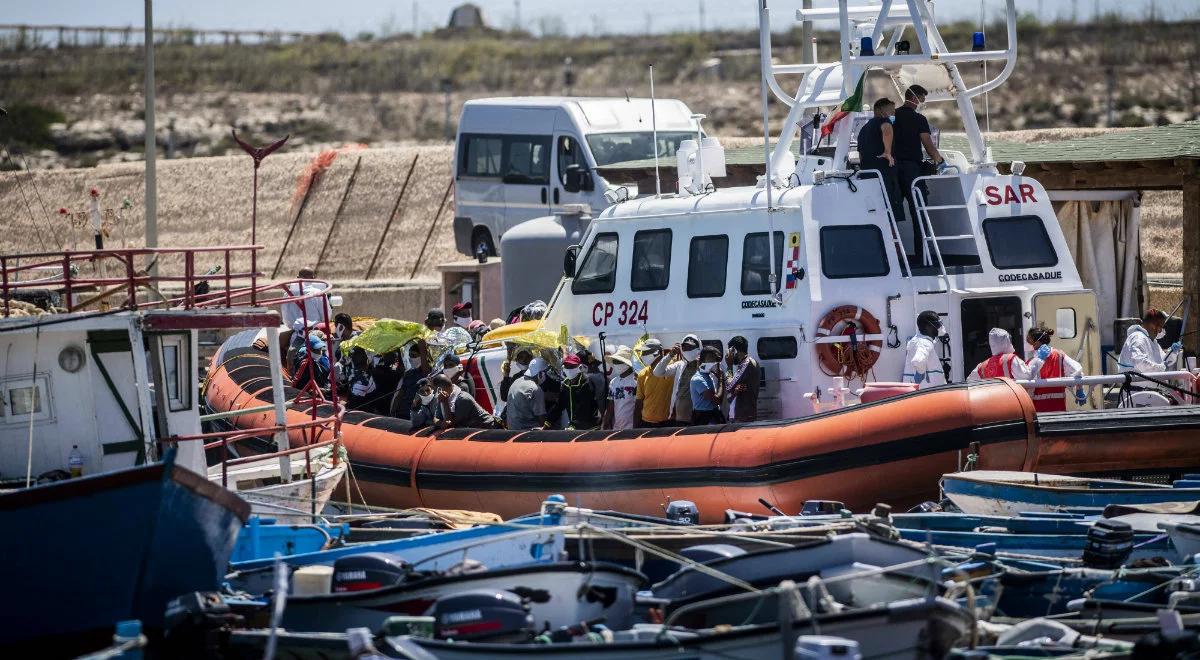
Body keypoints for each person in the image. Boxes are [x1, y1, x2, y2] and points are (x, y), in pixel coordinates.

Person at [893, 85, 946, 266]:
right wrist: (939, 160)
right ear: (915, 97)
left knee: (890, 213)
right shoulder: (918, 119)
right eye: (923, 98)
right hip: (911, 171)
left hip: (892, 170)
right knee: (919, 214)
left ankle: (892, 255)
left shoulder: (893, 116)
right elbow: (928, 144)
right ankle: (922, 258)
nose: (923, 101)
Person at [857, 98, 905, 224]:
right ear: (880, 109)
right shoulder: (885, 121)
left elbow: (861, 154)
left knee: (875, 210)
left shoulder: (864, 128)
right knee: (890, 210)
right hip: (884, 174)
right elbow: (887, 130)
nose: (893, 114)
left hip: (867, 175)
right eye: (891, 110)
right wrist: (888, 152)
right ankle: (894, 241)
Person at [1025, 326, 1086, 412]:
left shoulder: (1033, 360)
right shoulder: (1059, 355)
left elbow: (1025, 378)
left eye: (1029, 341)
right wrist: (1080, 389)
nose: (1028, 344)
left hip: (1038, 406)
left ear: (1037, 342)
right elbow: (1077, 370)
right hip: (1058, 404)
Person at [652, 334, 703, 425]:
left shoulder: (704, 366)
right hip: (679, 417)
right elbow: (657, 372)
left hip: (697, 417)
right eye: (685, 347)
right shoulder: (679, 365)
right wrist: (670, 355)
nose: (688, 349)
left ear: (699, 347)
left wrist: (699, 365)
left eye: (691, 347)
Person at [1118, 308, 1183, 374]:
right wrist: (1160, 368)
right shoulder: (1138, 338)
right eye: (1160, 326)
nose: (1160, 331)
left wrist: (1172, 352)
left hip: (1149, 383)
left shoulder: (1152, 342)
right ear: (1152, 325)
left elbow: (1164, 361)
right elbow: (1140, 363)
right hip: (1138, 384)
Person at [551, 353, 600, 430]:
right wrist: (547, 424)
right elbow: (558, 406)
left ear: (579, 367)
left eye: (572, 366)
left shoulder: (586, 383)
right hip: (574, 429)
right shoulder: (565, 385)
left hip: (590, 428)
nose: (569, 369)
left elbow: (584, 408)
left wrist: (573, 425)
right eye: (567, 366)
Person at [967, 328, 1033, 382]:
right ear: (1006, 341)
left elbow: (969, 382)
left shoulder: (982, 367)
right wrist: (1038, 361)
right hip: (1010, 397)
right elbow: (1027, 376)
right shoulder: (1011, 359)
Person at [636, 339, 676, 427]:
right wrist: (636, 427)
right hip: (647, 423)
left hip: (669, 423)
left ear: (658, 352)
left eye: (646, 352)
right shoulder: (642, 374)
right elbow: (639, 402)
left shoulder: (674, 368)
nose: (642, 356)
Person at [903, 310, 947, 389]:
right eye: (937, 324)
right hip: (927, 393)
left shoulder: (918, 340)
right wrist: (920, 374)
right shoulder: (924, 343)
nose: (940, 327)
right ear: (928, 327)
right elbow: (918, 361)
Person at [390, 340, 432, 419]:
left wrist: (422, 348)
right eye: (410, 355)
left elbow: (426, 372)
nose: (411, 358)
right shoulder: (409, 373)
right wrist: (394, 408)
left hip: (416, 413)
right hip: (402, 411)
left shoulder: (429, 372)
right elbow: (401, 393)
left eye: (414, 355)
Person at [724, 336, 761, 423]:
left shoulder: (746, 364)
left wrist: (729, 366)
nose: (729, 355)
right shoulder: (744, 364)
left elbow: (729, 386)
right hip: (742, 414)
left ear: (733, 350)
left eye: (730, 352)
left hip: (743, 416)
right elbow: (732, 391)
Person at [506, 357, 548, 430]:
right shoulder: (536, 389)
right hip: (528, 432)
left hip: (512, 429)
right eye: (545, 372)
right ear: (540, 374)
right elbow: (541, 419)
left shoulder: (516, 382)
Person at [689, 347, 725, 425]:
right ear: (702, 361)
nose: (715, 362)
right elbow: (717, 400)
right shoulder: (698, 379)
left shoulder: (709, 376)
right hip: (703, 419)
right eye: (711, 359)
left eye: (717, 359)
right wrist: (721, 380)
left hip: (713, 415)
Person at [604, 348, 639, 430]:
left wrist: (636, 429)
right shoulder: (613, 382)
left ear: (626, 364)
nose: (615, 364)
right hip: (616, 429)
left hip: (633, 429)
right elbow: (610, 408)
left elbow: (639, 407)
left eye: (618, 362)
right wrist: (604, 427)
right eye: (614, 361)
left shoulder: (637, 381)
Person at [343, 346, 377, 411]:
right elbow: (354, 405)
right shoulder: (361, 381)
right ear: (366, 361)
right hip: (362, 414)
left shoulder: (356, 373)